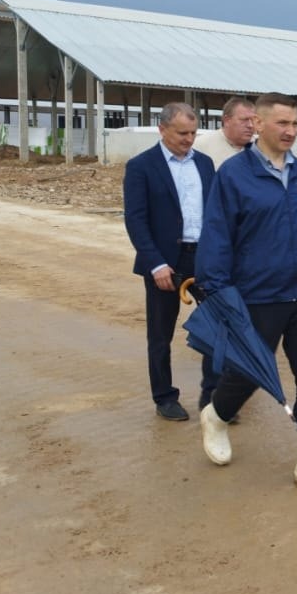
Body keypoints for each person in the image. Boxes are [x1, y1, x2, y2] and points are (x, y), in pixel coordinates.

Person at [194, 92, 297, 493]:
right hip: (258, 296)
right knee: (249, 372)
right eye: (282, 123)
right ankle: (216, 416)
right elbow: (217, 236)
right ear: (258, 124)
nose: (291, 131)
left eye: (295, 123)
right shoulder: (234, 175)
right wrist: (219, 293)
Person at [122, 102, 219, 421]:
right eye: (181, 133)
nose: (188, 139)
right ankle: (164, 397)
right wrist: (155, 264)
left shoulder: (204, 164)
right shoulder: (141, 166)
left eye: (193, 133)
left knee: (217, 327)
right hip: (165, 262)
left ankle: (213, 397)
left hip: (203, 258)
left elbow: (214, 213)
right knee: (161, 334)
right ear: (162, 129)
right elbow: (136, 220)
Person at [193, 96, 255, 166]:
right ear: (227, 120)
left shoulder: (258, 149)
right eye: (244, 120)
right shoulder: (200, 146)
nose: (251, 125)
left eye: (253, 120)